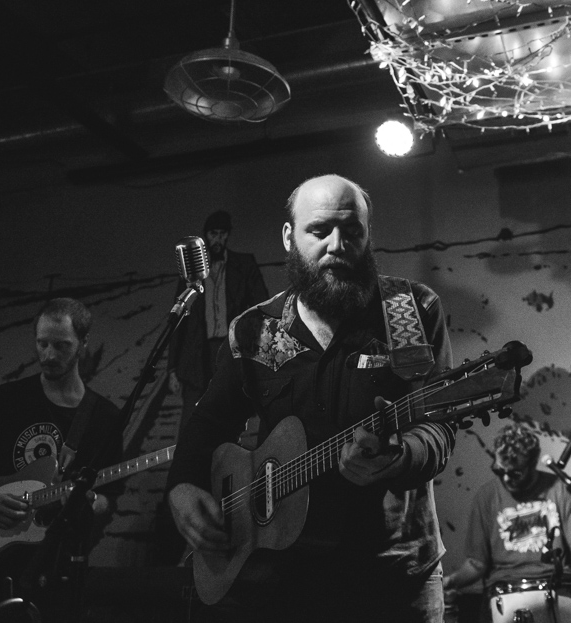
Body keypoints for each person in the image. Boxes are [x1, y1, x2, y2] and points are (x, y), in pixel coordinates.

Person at [165, 174, 455, 623]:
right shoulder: (253, 330)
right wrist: (183, 487)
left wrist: (398, 457)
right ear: (289, 237)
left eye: (352, 231)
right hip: (283, 577)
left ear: (368, 236)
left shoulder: (412, 310)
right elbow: (207, 426)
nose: (337, 244)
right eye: (319, 231)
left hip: (392, 575)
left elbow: (438, 427)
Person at [0, 297, 124, 623]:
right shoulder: (2, 402)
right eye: (42, 344)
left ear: (83, 344)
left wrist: (88, 500)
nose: (49, 355)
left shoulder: (104, 418)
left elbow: (107, 502)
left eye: (62, 345)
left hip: (54, 571)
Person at [443, 423, 571, 623]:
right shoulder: (487, 496)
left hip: (557, 588)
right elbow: (477, 564)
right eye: (499, 470)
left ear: (533, 463)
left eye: (515, 473)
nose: (506, 478)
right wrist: (449, 582)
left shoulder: (559, 488)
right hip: (505, 590)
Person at [167, 209, 270, 435]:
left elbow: (261, 308)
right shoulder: (193, 271)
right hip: (198, 354)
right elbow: (179, 320)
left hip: (230, 348)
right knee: (190, 424)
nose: (218, 239)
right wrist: (172, 368)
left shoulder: (243, 265)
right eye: (214, 234)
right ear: (206, 235)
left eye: (223, 234)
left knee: (231, 417)